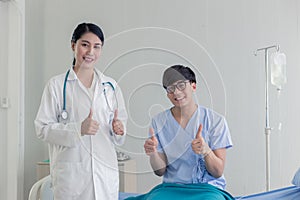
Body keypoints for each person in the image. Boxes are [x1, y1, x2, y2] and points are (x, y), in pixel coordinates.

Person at [35, 22, 127, 200]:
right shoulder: (56, 86)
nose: (91, 52)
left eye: (97, 46)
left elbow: (119, 131)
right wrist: (78, 129)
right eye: (85, 45)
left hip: (104, 175)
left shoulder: (110, 86)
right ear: (73, 45)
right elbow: (42, 129)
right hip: (72, 179)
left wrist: (119, 129)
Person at [141, 65, 233, 199]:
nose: (176, 93)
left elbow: (218, 171)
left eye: (181, 85)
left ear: (193, 86)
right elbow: (160, 171)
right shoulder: (158, 122)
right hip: (172, 188)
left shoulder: (215, 121)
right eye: (170, 89)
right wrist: (153, 154)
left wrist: (206, 151)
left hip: (207, 189)